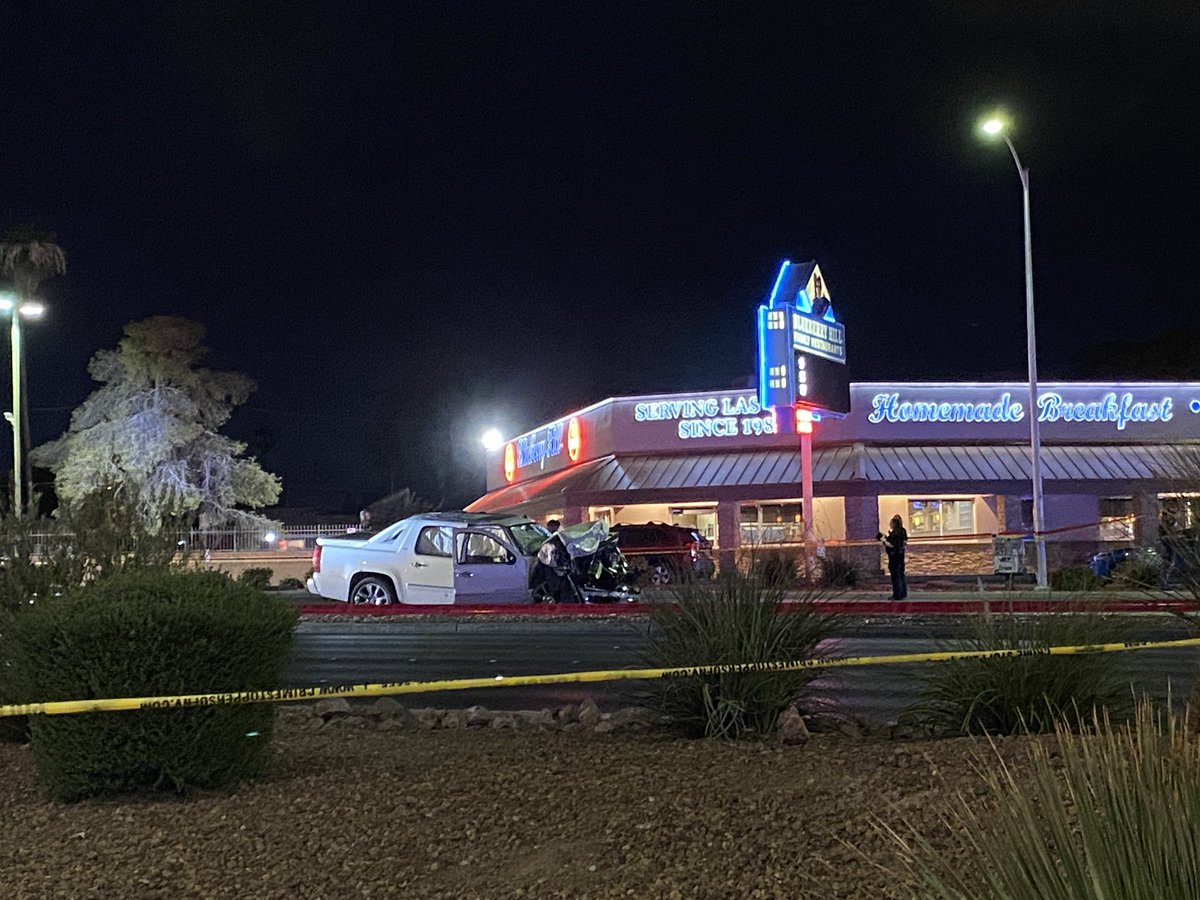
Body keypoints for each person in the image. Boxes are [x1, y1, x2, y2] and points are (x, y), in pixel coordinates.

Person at [876, 514, 908, 601]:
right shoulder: (903, 531)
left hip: (894, 557)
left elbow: (891, 544)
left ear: (894, 523)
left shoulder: (895, 533)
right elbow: (904, 543)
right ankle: (903, 593)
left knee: (896, 576)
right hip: (900, 557)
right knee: (901, 575)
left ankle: (897, 595)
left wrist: (883, 540)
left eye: (891, 523)